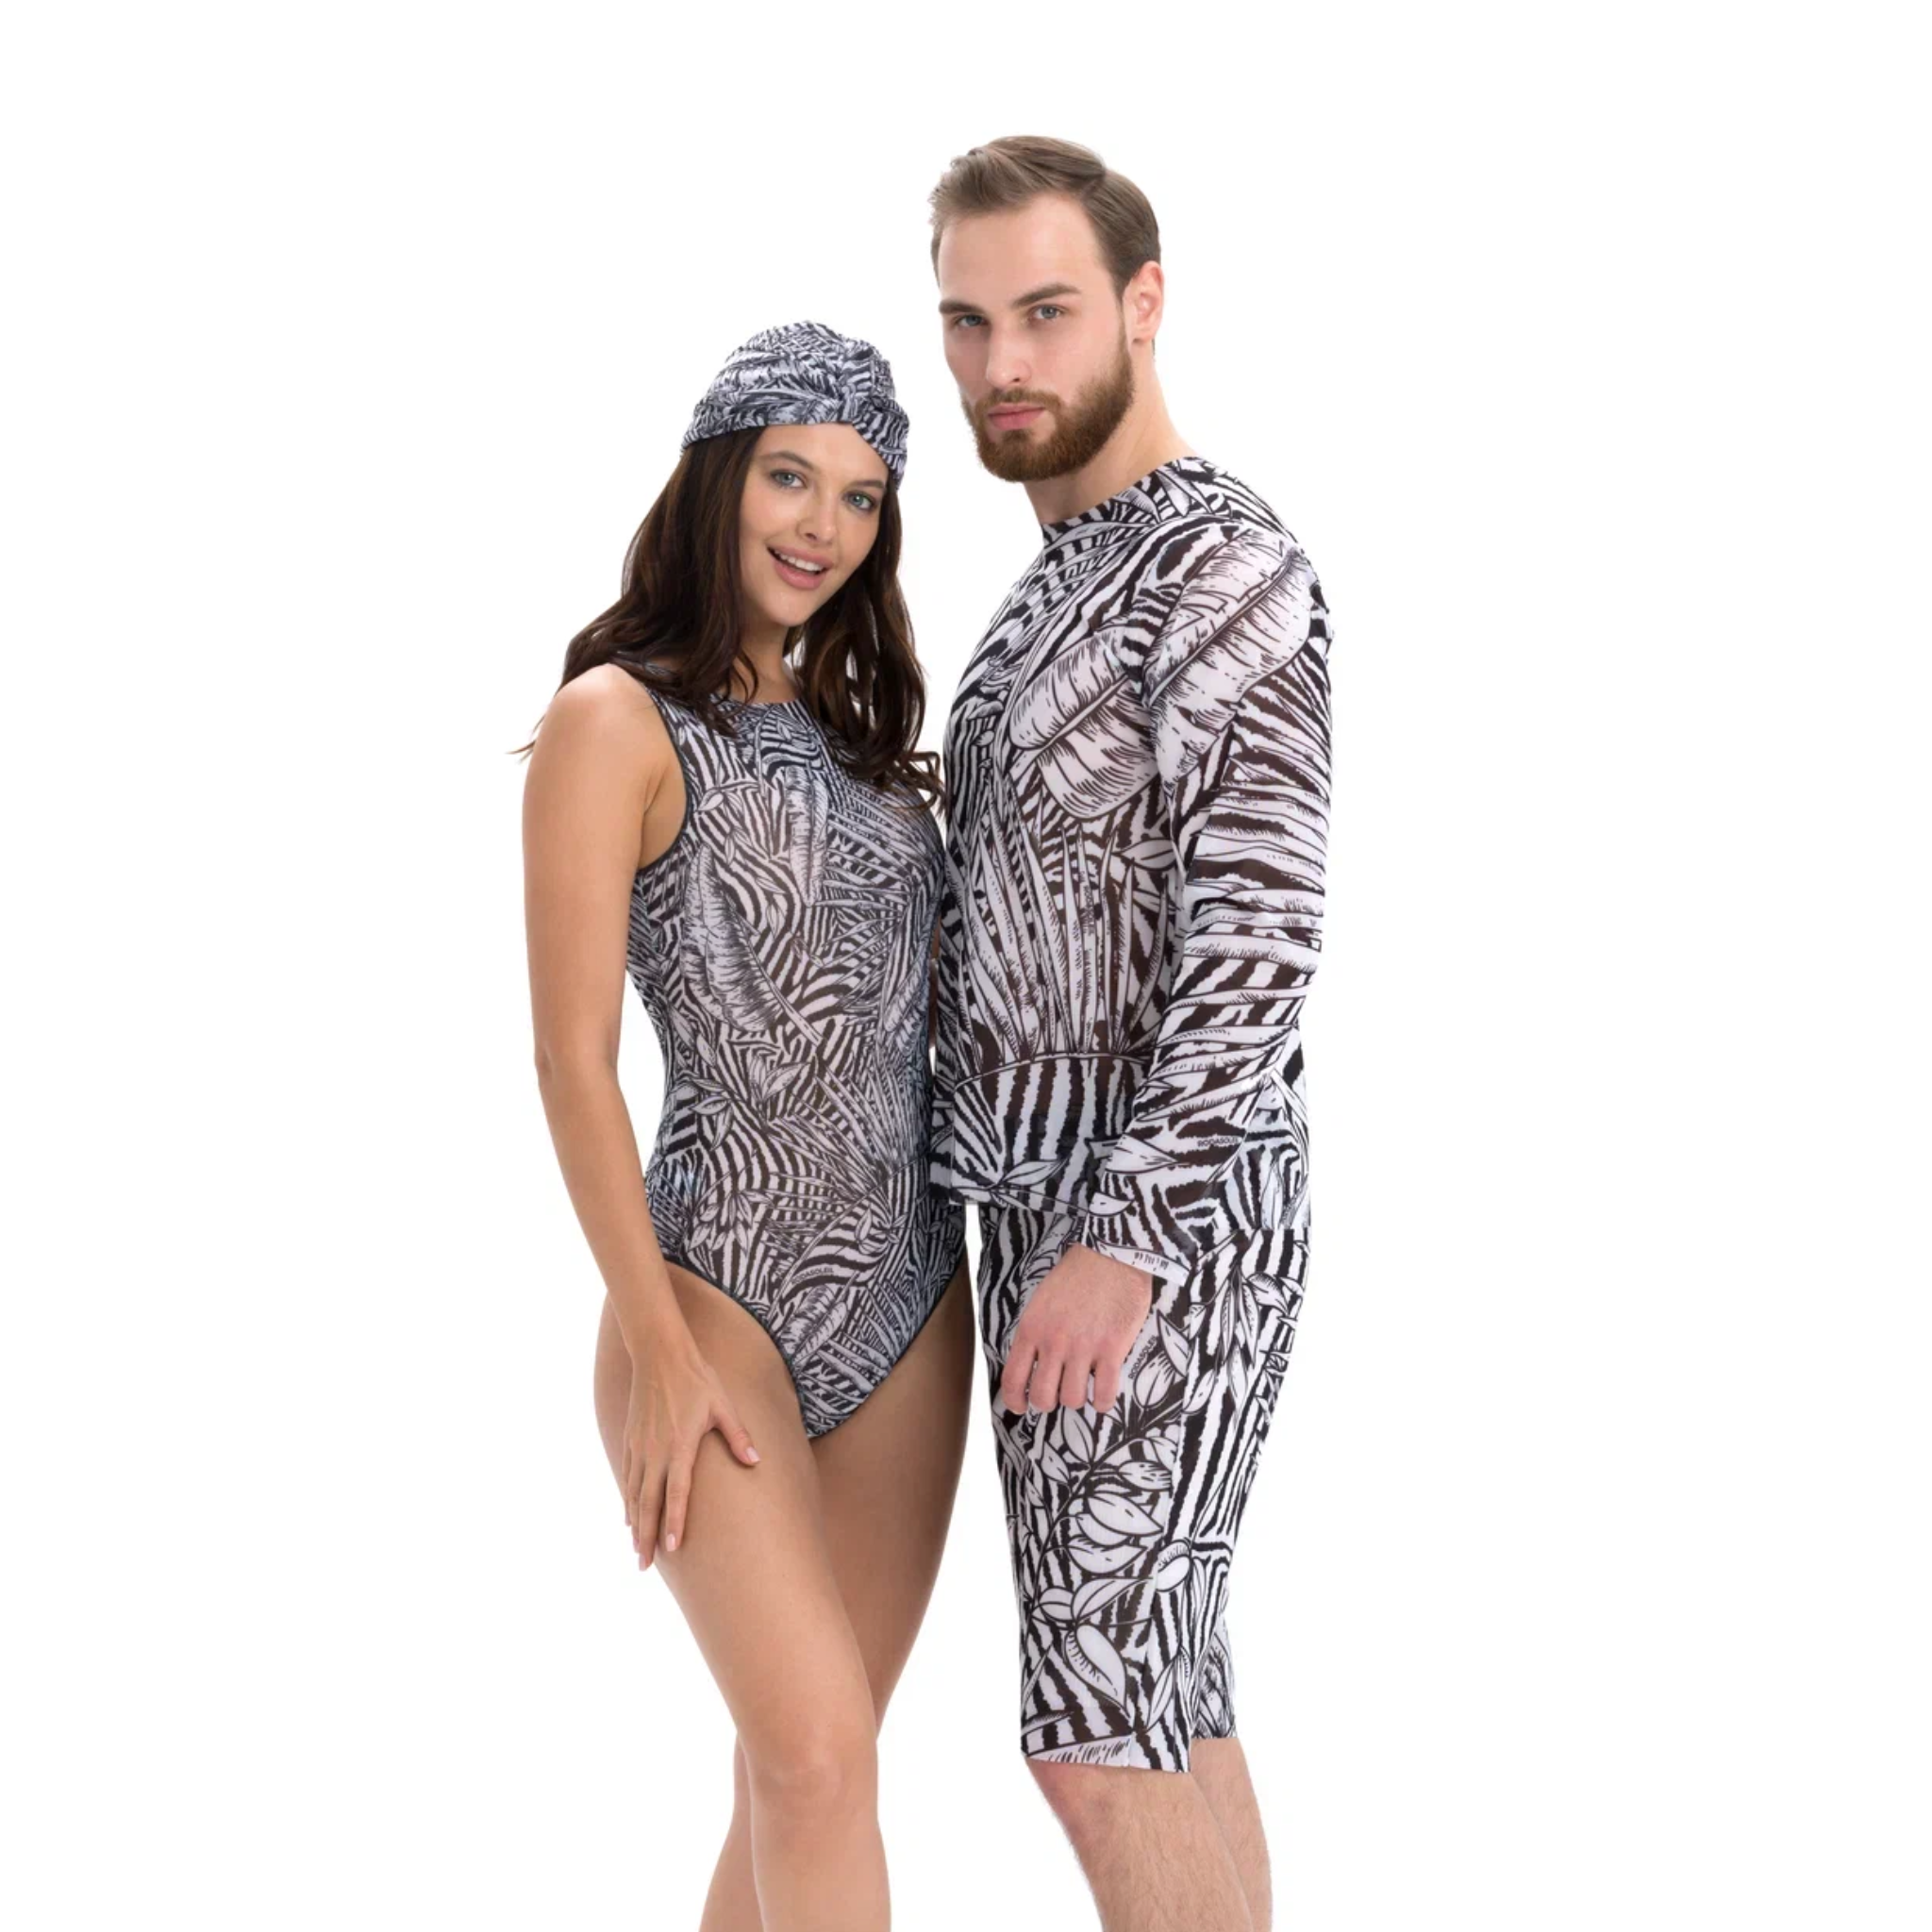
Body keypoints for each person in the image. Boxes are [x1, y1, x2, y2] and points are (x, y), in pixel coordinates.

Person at [925, 138, 1336, 1932]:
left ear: (1143, 305)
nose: (1002, 363)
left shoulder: (1220, 565)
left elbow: (1262, 933)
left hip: (1157, 1222)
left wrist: (1123, 1237)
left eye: (1045, 313)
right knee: (1159, 1689)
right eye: (967, 321)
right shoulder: (1053, 581)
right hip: (1043, 1210)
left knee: (1095, 1731)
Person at [520, 320, 971, 1932]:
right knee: (817, 1758)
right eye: (789, 476)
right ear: (718, 479)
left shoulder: (874, 757)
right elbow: (572, 1062)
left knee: (805, 1773)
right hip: (712, 1291)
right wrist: (657, 1345)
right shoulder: (615, 722)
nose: (819, 525)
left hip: (916, 1301)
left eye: (859, 497)